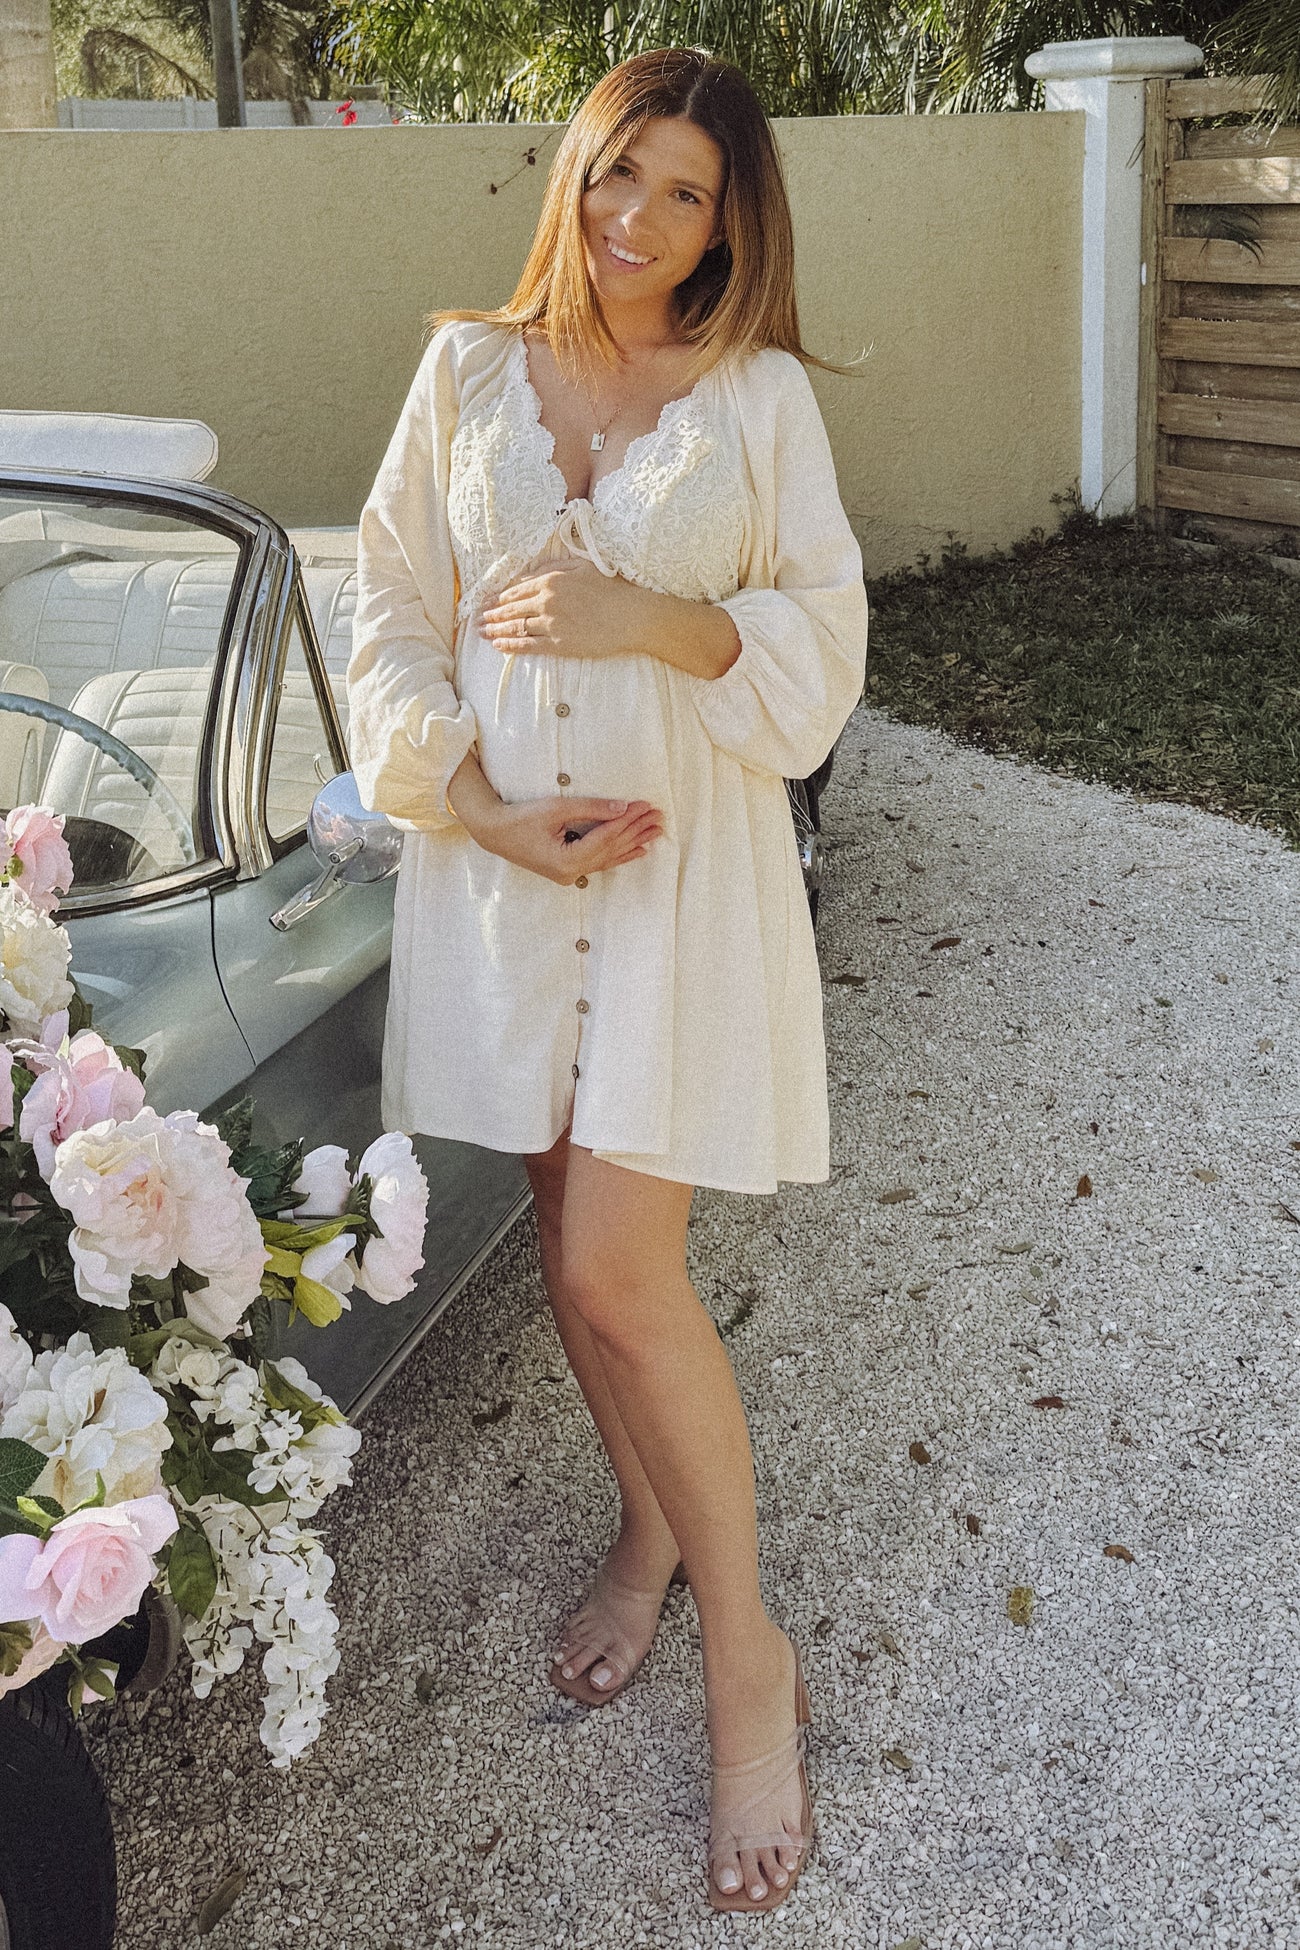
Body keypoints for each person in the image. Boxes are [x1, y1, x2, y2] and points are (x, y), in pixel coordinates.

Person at [346, 46, 868, 1914]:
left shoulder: (758, 398)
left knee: (616, 1272)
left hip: (674, 888)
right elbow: (389, 607)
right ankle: (646, 1532)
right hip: (509, 888)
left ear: (732, 225)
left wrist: (645, 614)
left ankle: (749, 1657)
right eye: (617, 170)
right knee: (572, 1244)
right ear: (572, 170)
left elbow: (822, 649)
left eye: (685, 192)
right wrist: (481, 809)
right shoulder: (465, 372)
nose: (637, 217)